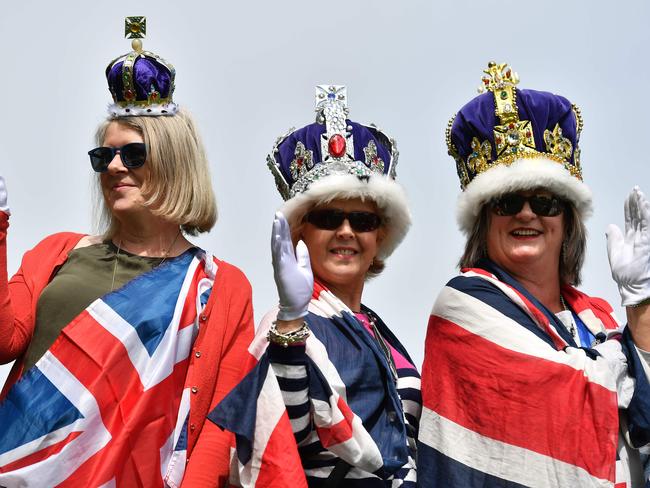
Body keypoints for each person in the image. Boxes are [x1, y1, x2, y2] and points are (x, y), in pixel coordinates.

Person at [0, 18, 254, 487]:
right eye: (104, 156)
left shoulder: (222, 286)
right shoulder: (57, 251)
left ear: (175, 162)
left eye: (133, 155)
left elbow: (221, 423)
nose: (115, 167)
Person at [418, 61, 650, 488]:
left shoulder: (597, 318)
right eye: (507, 202)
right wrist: (637, 333)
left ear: (567, 221)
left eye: (545, 202)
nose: (527, 213)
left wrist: (640, 306)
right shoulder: (463, 305)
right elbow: (575, 393)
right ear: (484, 220)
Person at [210, 85, 421, 486]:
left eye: (362, 221)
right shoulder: (287, 324)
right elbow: (287, 434)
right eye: (328, 218)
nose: (346, 232)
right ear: (299, 230)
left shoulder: (381, 333)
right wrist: (291, 323)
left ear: (380, 236)